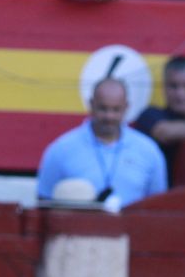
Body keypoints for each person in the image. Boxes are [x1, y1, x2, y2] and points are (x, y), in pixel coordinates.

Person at [37, 76, 168, 206]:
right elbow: (44, 203)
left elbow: (158, 206)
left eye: (116, 109)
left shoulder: (149, 151)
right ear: (91, 104)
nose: (109, 116)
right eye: (103, 108)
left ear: (126, 107)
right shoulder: (61, 150)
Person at [132, 55, 185, 178]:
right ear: (164, 87)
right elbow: (163, 132)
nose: (180, 94)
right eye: (173, 86)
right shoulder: (150, 116)